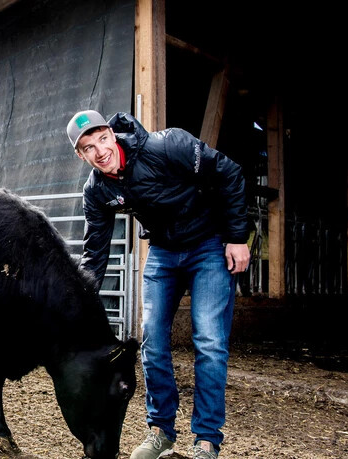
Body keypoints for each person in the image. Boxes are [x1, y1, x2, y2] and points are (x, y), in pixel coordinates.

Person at [66, 110, 250, 459]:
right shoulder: (97, 190)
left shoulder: (166, 146)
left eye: (102, 138)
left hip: (208, 244)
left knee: (209, 339)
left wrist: (237, 237)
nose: (99, 150)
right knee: (152, 339)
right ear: (81, 155)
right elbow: (94, 256)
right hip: (164, 252)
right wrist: (78, 305)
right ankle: (161, 431)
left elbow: (229, 172)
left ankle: (206, 440)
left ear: (112, 133)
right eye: (88, 147)